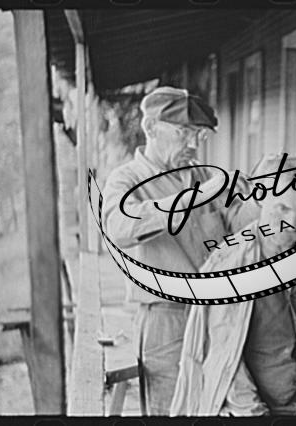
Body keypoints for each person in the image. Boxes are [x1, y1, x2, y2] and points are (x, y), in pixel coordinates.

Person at [170, 154, 296, 416]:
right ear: (260, 198)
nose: (292, 223)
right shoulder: (229, 264)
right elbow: (227, 364)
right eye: (283, 209)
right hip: (249, 407)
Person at [101, 86, 258, 415]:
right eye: (184, 132)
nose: (193, 144)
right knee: (170, 410)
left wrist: (263, 199)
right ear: (151, 127)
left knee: (218, 406)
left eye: (199, 135)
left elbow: (243, 229)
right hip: (166, 319)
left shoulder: (206, 176)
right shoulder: (126, 180)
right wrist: (199, 196)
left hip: (218, 313)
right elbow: (119, 229)